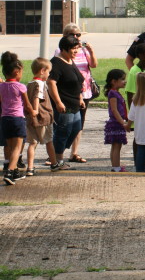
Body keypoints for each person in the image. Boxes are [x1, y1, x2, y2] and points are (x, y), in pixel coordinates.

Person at [53, 23, 98, 164]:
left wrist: (91, 50)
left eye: (78, 35)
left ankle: (71, 152)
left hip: (80, 95)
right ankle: (56, 156)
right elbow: (52, 81)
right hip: (65, 97)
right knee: (63, 128)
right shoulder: (59, 58)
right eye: (73, 35)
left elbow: (91, 67)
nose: (76, 37)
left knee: (77, 126)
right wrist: (58, 102)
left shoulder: (78, 54)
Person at [48, 35, 85, 171]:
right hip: (64, 105)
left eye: (77, 48)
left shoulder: (70, 61)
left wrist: (80, 98)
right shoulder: (57, 63)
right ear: (64, 49)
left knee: (75, 129)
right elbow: (51, 83)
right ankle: (57, 160)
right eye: (73, 49)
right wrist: (58, 102)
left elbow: (77, 81)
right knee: (63, 132)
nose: (76, 51)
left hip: (75, 104)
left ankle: (56, 153)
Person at [1, 52, 36, 185]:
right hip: (17, 119)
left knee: (10, 146)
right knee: (17, 148)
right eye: (21, 71)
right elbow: (27, 104)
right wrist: (33, 112)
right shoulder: (20, 86)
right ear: (16, 72)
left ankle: (14, 171)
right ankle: (9, 172)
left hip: (5, 119)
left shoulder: (1, 86)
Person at [25, 58, 59, 176]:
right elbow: (36, 98)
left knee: (32, 143)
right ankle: (54, 163)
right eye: (48, 72)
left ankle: (30, 167)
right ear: (43, 71)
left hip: (30, 119)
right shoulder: (39, 84)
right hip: (42, 118)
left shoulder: (29, 83)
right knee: (49, 141)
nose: (49, 74)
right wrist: (35, 110)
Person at [104, 69, 129, 173]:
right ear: (113, 81)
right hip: (116, 123)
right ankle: (116, 167)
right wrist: (122, 122)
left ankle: (115, 166)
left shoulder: (116, 93)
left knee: (116, 145)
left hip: (118, 121)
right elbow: (114, 110)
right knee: (116, 145)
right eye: (122, 79)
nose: (125, 81)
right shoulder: (113, 94)